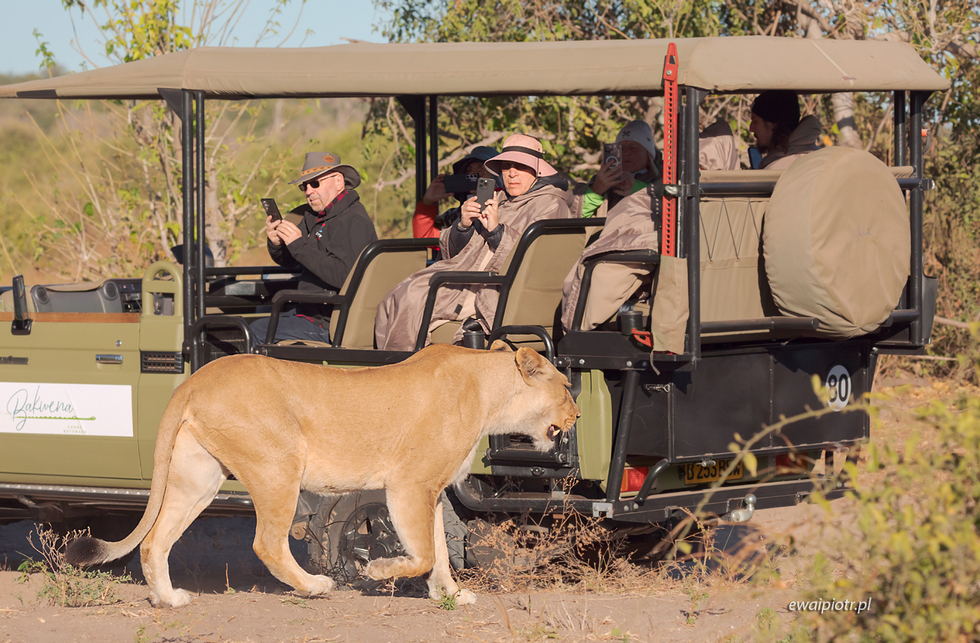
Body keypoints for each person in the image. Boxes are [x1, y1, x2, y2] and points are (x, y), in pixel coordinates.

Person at [375, 134, 571, 351]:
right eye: (506, 166)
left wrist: (497, 230)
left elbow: (534, 262)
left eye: (520, 166)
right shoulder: (501, 200)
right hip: (473, 278)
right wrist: (464, 225)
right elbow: (455, 253)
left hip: (499, 290)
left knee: (412, 296)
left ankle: (404, 370)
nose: (512, 173)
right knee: (399, 294)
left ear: (538, 169)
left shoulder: (551, 204)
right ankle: (399, 368)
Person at [250, 152, 377, 343]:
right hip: (307, 311)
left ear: (338, 182)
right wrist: (277, 243)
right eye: (304, 186)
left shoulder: (353, 220)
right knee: (254, 318)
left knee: (253, 331)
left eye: (315, 183)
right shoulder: (312, 216)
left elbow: (344, 276)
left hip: (331, 320)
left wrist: (298, 244)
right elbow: (292, 261)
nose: (309, 191)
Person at [412, 145, 498, 238]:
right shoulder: (455, 216)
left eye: (482, 168)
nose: (474, 174)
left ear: (498, 175)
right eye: (468, 170)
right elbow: (426, 238)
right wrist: (427, 203)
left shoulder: (509, 209)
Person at [580, 120, 661, 218]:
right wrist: (596, 190)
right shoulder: (602, 180)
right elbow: (578, 219)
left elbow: (668, 212)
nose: (626, 153)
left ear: (648, 156)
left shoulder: (665, 180)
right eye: (621, 148)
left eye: (633, 148)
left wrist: (636, 188)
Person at [749, 91, 821, 169]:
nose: (751, 128)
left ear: (773, 123)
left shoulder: (778, 166)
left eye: (755, 121)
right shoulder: (817, 157)